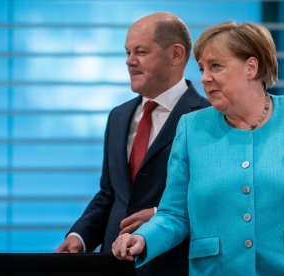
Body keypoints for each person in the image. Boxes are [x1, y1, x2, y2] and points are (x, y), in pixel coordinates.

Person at [112, 21, 284, 276]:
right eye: (201, 68)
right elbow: (175, 214)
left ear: (251, 67)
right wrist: (143, 239)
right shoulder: (191, 127)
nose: (205, 78)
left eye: (216, 66)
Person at [55, 12, 210, 276]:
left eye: (140, 51)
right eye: (127, 52)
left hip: (172, 266)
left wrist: (160, 213)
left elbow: (216, 198)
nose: (129, 61)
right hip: (112, 264)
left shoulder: (207, 118)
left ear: (176, 54)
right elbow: (110, 193)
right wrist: (79, 236)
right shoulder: (118, 116)